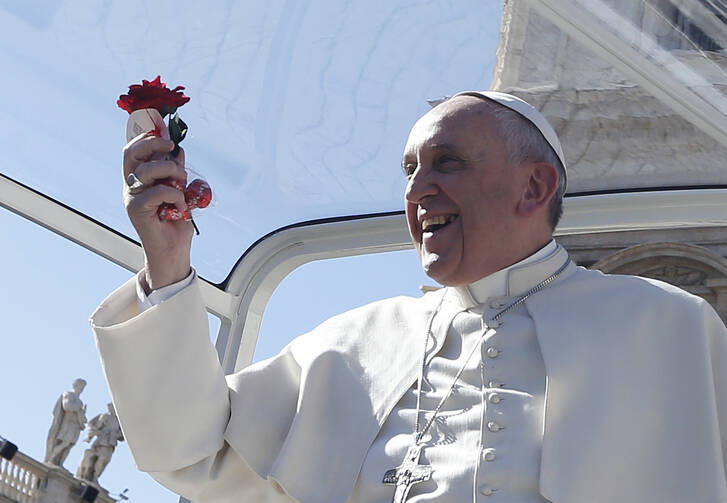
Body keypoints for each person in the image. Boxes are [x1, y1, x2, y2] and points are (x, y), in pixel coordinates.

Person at [90, 91, 727, 503]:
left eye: (446, 163)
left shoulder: (669, 328)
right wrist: (169, 263)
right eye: (409, 171)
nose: (417, 191)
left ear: (534, 187)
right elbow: (192, 448)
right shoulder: (357, 343)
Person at [76, 402, 125, 484]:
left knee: (105, 460)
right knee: (101, 459)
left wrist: (118, 434)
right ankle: (93, 477)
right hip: (103, 441)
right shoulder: (105, 416)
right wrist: (90, 436)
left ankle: (95, 477)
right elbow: (95, 426)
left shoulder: (118, 420)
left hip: (111, 443)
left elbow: (122, 436)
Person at [44, 378, 88, 468]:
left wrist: (82, 414)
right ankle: (51, 459)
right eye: (80, 386)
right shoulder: (68, 394)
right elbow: (67, 406)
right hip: (67, 424)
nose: (82, 389)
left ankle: (60, 463)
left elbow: (82, 418)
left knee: (69, 445)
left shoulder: (80, 402)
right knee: (65, 442)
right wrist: (78, 409)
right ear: (75, 385)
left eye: (83, 387)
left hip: (76, 426)